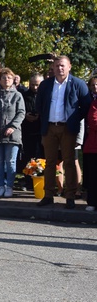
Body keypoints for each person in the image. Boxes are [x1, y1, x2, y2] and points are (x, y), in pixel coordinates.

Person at [34, 55, 91, 209]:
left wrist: (74, 118)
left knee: (69, 162)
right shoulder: (46, 85)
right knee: (50, 162)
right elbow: (38, 105)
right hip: (50, 127)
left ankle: (70, 196)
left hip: (68, 128)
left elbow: (86, 106)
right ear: (53, 67)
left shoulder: (78, 84)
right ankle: (48, 195)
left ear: (69, 66)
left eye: (63, 65)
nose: (60, 68)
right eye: (57, 65)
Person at [0, 67, 25, 198]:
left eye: (9, 77)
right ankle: (0, 186)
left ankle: (9, 186)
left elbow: (21, 113)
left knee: (10, 161)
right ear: (0, 80)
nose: (6, 80)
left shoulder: (18, 95)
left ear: (13, 79)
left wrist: (13, 127)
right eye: (4, 77)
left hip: (12, 135)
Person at [21, 73, 43, 190]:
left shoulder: (44, 95)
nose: (35, 87)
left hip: (40, 130)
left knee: (40, 157)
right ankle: (28, 181)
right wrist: (26, 116)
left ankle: (39, 180)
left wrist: (39, 115)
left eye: (37, 85)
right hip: (27, 130)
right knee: (27, 157)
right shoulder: (24, 95)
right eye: (32, 85)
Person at [82, 76, 97, 212]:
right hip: (94, 147)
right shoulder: (94, 104)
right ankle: (92, 202)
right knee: (93, 176)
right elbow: (93, 121)